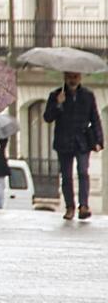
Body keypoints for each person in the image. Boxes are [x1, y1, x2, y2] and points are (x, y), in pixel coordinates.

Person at [44, 71, 104, 220]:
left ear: (81, 77)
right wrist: (58, 103)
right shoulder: (56, 95)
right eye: (70, 76)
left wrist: (99, 140)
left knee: (83, 172)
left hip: (82, 140)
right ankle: (69, 206)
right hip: (63, 141)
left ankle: (84, 205)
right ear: (65, 77)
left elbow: (95, 118)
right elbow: (47, 117)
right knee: (66, 175)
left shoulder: (88, 96)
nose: (73, 80)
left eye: (76, 76)